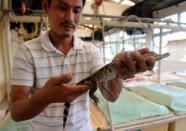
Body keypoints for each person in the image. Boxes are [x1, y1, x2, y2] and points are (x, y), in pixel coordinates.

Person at [10, 0, 155, 131]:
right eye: (62, 7)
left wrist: (119, 74)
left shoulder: (91, 51)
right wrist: (45, 97)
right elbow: (16, 113)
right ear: (46, 7)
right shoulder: (25, 52)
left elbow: (111, 96)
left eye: (76, 10)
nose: (70, 18)